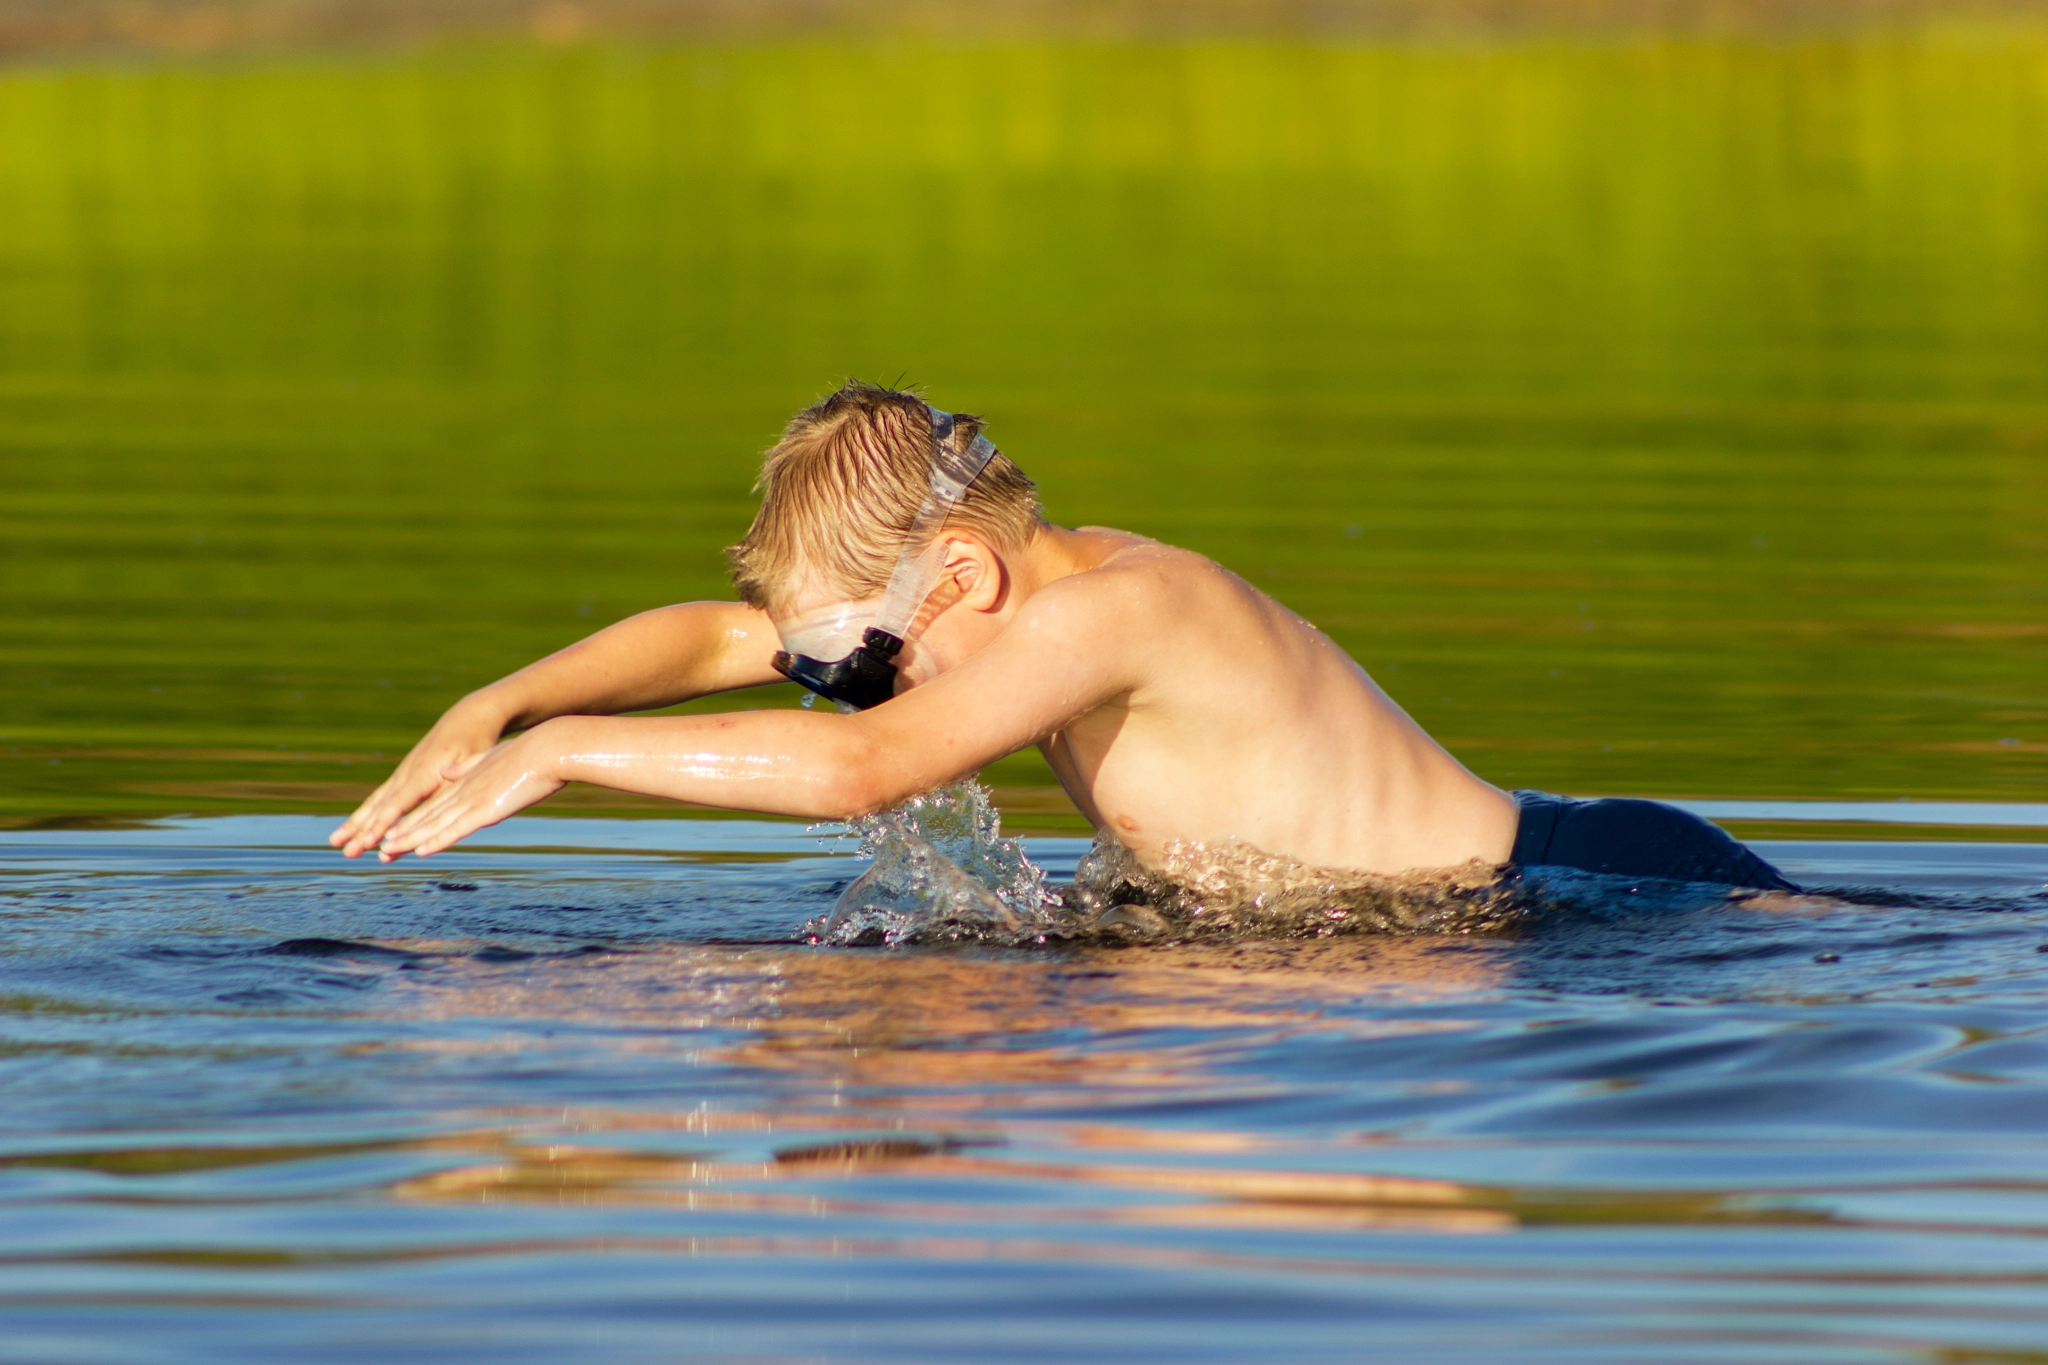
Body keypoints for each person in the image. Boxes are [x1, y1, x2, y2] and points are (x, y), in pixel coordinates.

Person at [331, 381, 1795, 894]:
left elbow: (864, 775)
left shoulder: (1126, 612)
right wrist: (499, 703)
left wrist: (573, 756)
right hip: (1453, 927)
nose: (846, 698)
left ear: (959, 576)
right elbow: (714, 637)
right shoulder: (1002, 608)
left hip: (1590, 904)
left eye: (858, 666)